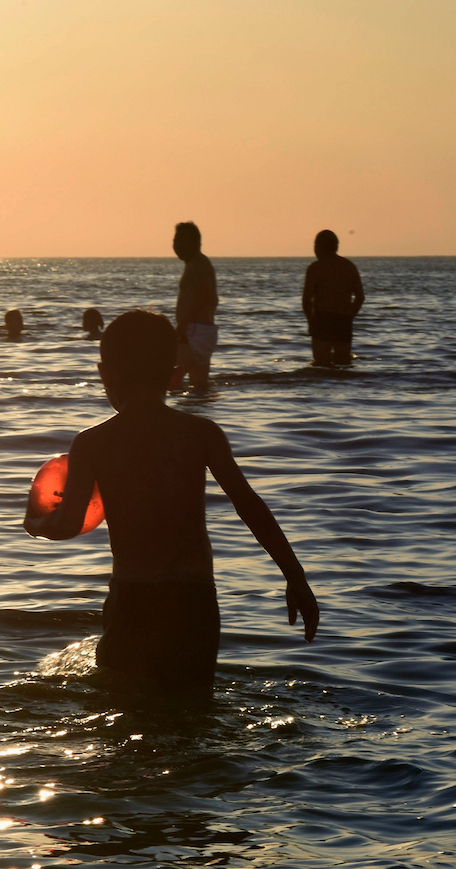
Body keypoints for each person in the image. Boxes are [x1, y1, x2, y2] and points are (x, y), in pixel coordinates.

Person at [24, 310, 318, 695]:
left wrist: (35, 523)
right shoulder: (201, 434)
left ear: (105, 374)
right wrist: (295, 576)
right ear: (174, 374)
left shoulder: (93, 443)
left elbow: (66, 523)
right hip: (193, 603)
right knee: (193, 716)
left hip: (134, 600)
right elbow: (250, 505)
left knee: (126, 721)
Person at [302, 230, 365, 366]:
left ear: (318, 247)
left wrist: (311, 322)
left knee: (320, 364)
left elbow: (306, 300)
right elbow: (360, 297)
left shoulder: (315, 268)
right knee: (343, 364)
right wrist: (350, 316)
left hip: (322, 319)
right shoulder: (349, 267)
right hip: (343, 320)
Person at [170, 222, 218, 389]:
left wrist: (183, 326)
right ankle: (199, 410)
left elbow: (205, 297)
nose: (177, 246)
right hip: (201, 331)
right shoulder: (196, 264)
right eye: (176, 241)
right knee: (198, 384)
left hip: (195, 331)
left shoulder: (199, 265)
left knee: (169, 373)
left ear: (196, 243)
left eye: (183, 241)